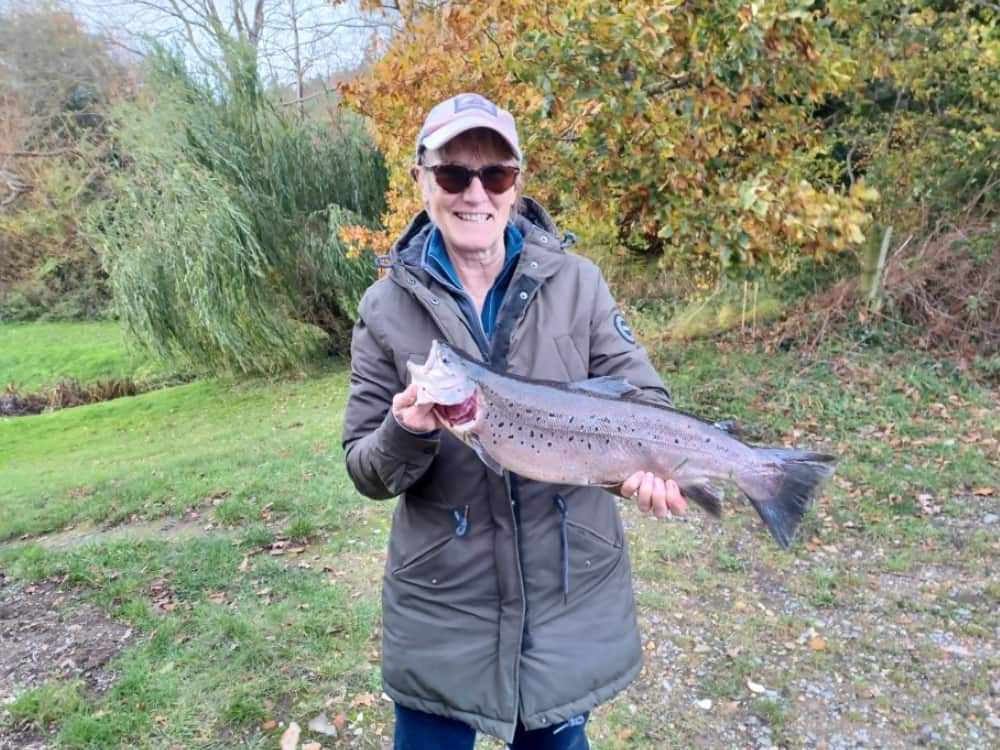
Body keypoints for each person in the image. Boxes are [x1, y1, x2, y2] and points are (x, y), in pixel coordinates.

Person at [342, 92, 687, 750]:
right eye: (453, 173)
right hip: (441, 611)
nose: (476, 193)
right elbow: (365, 467)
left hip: (567, 607)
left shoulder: (579, 282)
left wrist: (638, 471)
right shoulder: (382, 308)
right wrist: (405, 431)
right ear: (421, 179)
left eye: (494, 173)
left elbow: (643, 396)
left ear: (516, 183)